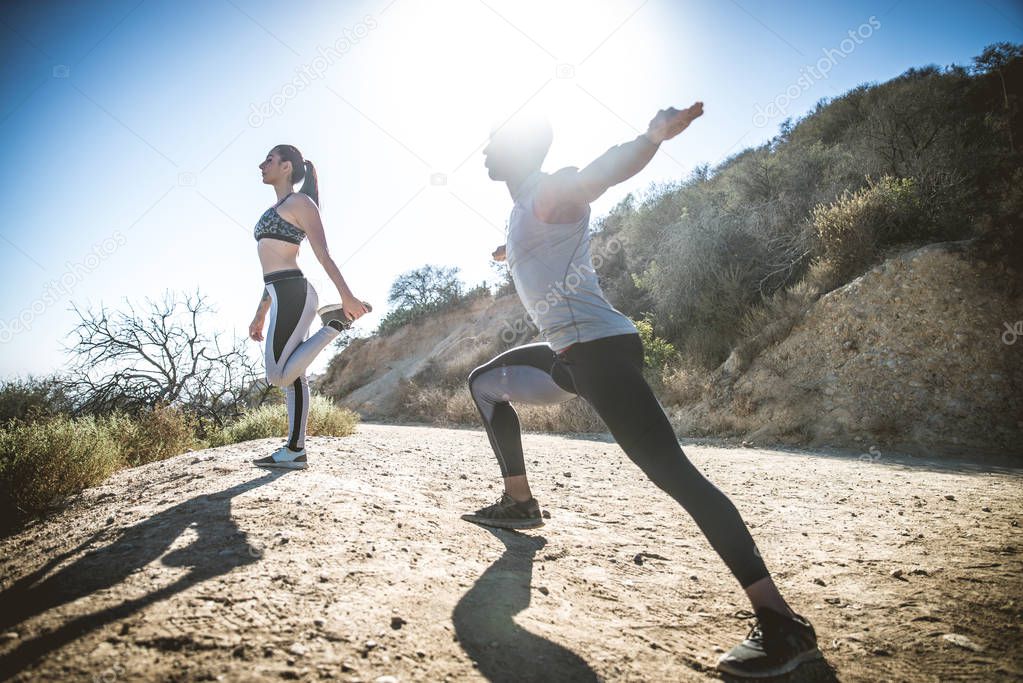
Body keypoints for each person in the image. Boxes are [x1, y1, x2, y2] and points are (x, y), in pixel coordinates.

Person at [461, 106, 823, 678]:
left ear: (521, 150)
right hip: (569, 356)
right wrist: (514, 252)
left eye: (494, 139)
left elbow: (599, 175)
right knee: (484, 384)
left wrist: (650, 138)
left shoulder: (550, 191)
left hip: (599, 352)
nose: (483, 147)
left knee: (673, 474)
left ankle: (782, 622)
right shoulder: (525, 208)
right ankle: (520, 502)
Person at [248, 144, 370, 470]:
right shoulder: (279, 206)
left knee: (277, 376)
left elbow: (322, 252)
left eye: (269, 160)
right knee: (292, 373)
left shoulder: (301, 203)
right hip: (279, 293)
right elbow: (269, 265)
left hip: (294, 293)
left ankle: (334, 326)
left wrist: (346, 296)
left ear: (286, 166)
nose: (262, 165)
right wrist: (260, 313)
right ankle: (295, 450)